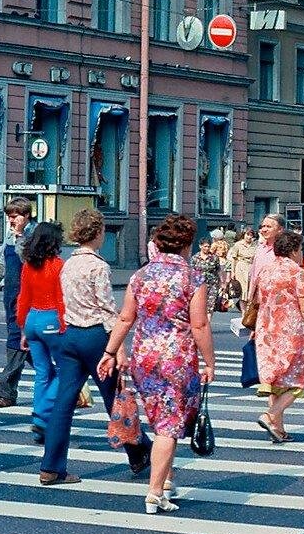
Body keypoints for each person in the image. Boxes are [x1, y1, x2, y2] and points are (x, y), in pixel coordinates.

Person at [99, 214, 216, 513]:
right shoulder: (192, 278)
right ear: (187, 244)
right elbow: (200, 325)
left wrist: (110, 352)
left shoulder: (140, 276)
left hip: (144, 357)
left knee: (162, 419)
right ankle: (154, 493)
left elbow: (126, 318)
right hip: (176, 358)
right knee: (168, 425)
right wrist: (210, 362)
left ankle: (165, 480)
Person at [40, 208, 152, 486]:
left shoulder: (68, 263)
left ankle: (51, 467)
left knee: (63, 404)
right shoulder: (98, 266)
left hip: (70, 336)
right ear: (98, 232)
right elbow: (107, 309)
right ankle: (139, 452)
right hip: (96, 338)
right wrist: (119, 347)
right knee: (115, 398)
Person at [255, 231, 304, 442]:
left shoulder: (266, 270)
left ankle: (278, 429)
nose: (302, 254)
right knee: (297, 382)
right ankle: (270, 415)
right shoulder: (297, 273)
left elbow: (256, 300)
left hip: (266, 329)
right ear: (293, 250)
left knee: (275, 382)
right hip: (289, 330)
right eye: (300, 249)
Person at [16, 221, 66, 444]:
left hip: (32, 319)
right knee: (66, 370)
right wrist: (65, 325)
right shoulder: (58, 265)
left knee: (42, 373)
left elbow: (23, 297)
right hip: (51, 318)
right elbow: (61, 299)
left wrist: (23, 328)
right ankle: (43, 415)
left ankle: (39, 420)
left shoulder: (28, 264)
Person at [0, 197, 32, 408]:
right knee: (29, 347)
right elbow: (1, 261)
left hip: (27, 298)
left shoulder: (32, 235)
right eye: (9, 217)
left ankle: (4, 391)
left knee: (17, 340)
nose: (11, 221)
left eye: (15, 217)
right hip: (10, 295)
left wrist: (20, 236)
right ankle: (67, 383)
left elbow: (29, 259)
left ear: (26, 216)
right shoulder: (10, 236)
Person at [248, 214, 284, 304]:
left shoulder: (285, 249)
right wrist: (251, 293)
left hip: (277, 298)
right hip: (259, 296)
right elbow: (254, 273)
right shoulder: (260, 247)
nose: (264, 229)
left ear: (280, 229)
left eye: (269, 227)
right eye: (263, 226)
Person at [228, 228, 257, 311]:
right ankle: (243, 311)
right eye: (247, 235)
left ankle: (248, 309)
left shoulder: (255, 245)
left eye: (251, 235)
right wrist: (232, 272)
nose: (249, 237)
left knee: (250, 289)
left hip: (251, 267)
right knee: (242, 289)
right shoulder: (238, 245)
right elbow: (234, 259)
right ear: (244, 235)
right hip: (240, 267)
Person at [191, 239, 223, 315]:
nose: (207, 248)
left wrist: (222, 283)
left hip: (212, 285)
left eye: (208, 246)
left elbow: (218, 271)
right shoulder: (195, 258)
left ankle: (208, 324)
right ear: (200, 246)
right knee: (199, 306)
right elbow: (192, 273)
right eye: (205, 246)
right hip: (199, 285)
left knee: (210, 307)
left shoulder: (214, 258)